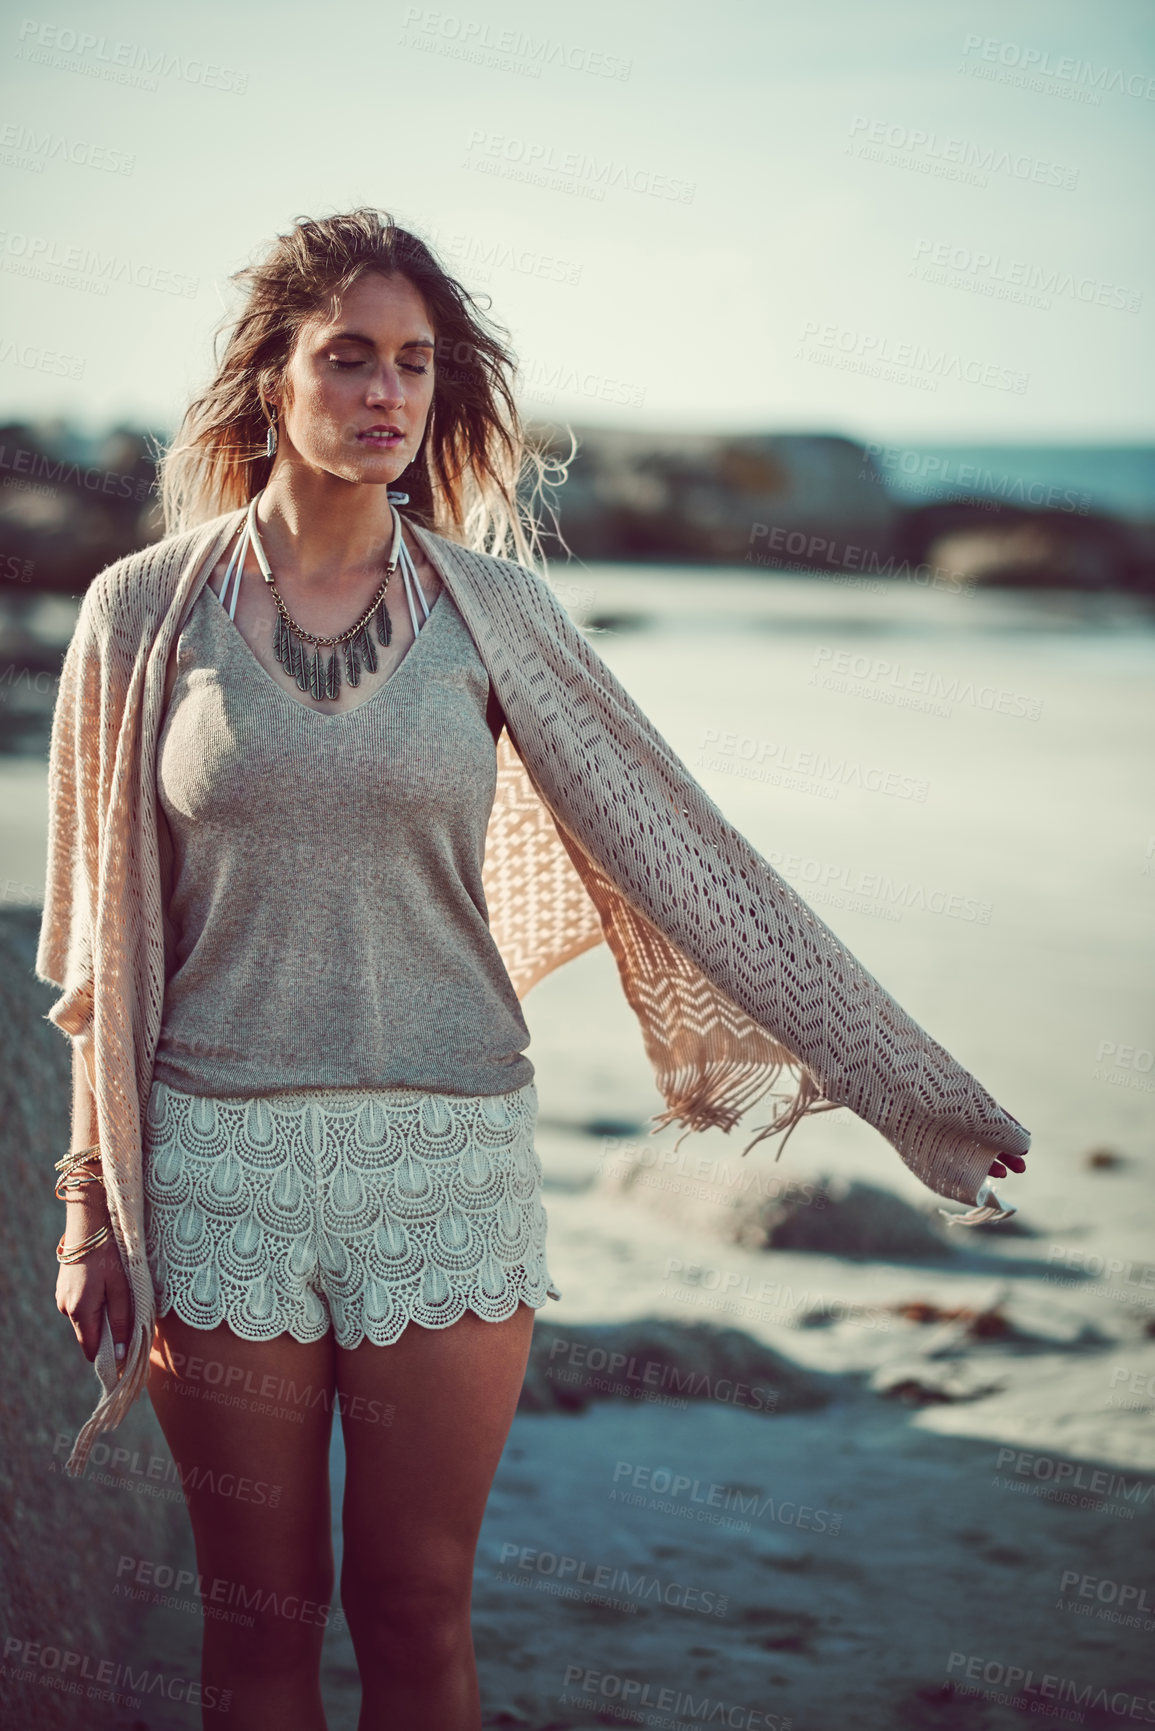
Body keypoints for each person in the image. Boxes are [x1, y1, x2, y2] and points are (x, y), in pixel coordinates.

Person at [46, 208, 1028, 1731]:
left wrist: (919, 1095)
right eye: (350, 358)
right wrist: (87, 1206)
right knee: (253, 1636)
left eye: (417, 365)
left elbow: (692, 863)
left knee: (419, 1613)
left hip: (446, 1157)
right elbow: (97, 950)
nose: (386, 394)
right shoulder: (140, 613)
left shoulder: (495, 613)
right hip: (216, 1160)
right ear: (270, 384)